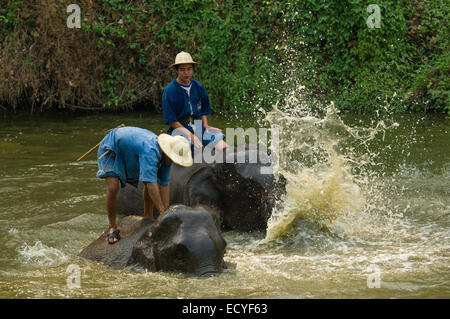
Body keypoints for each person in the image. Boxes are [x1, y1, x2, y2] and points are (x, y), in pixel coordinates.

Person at [96, 126, 193, 244]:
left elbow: (164, 184)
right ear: (167, 152)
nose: (173, 161)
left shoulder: (166, 161)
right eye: (173, 158)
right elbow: (150, 184)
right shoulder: (151, 152)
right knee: (113, 187)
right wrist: (162, 212)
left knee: (151, 180)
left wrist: (167, 211)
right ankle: (112, 226)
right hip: (112, 148)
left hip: (132, 150)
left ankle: (148, 217)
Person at [162, 51, 227, 153]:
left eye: (189, 69)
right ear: (177, 70)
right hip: (179, 130)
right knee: (191, 149)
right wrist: (190, 135)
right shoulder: (170, 90)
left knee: (222, 146)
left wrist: (206, 126)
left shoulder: (198, 86)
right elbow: (171, 120)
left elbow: (204, 110)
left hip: (198, 126)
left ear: (193, 69)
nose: (186, 73)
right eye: (182, 70)